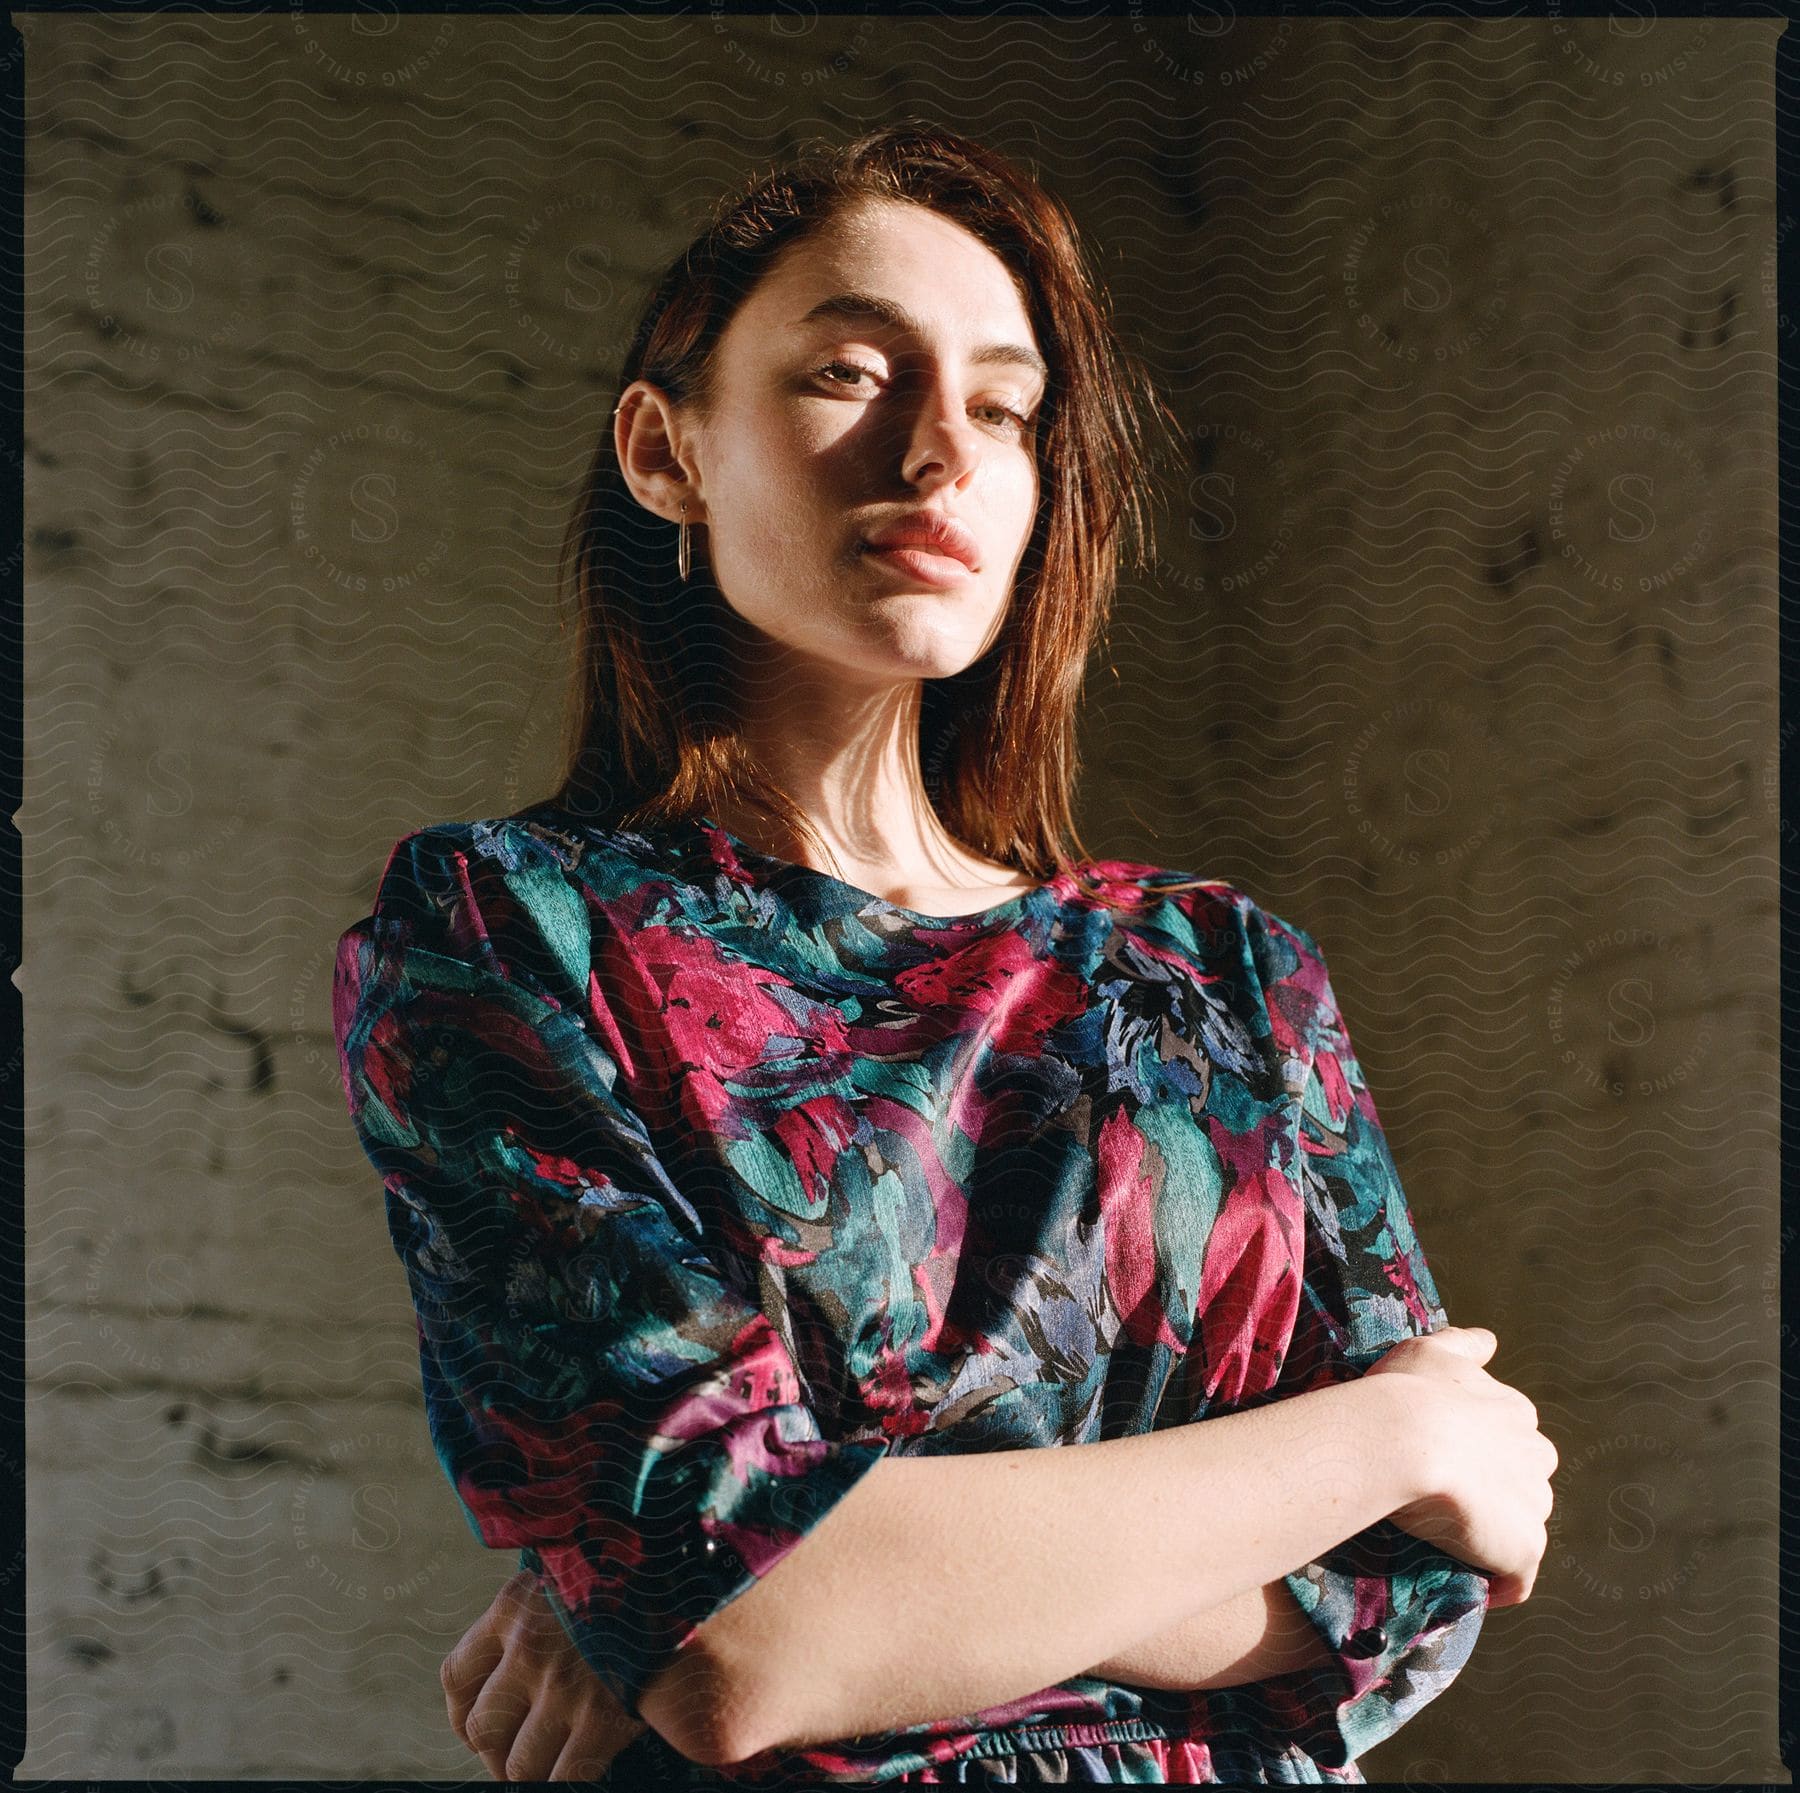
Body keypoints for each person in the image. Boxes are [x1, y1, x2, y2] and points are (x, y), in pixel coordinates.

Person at [331, 122, 1556, 1786]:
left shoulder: (1223, 970)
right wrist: (1388, 1432)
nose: (939, 452)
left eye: (1001, 405)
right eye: (850, 371)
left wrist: (824, 1558)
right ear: (662, 449)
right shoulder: (512, 924)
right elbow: (745, 1641)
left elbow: (1414, 1597)